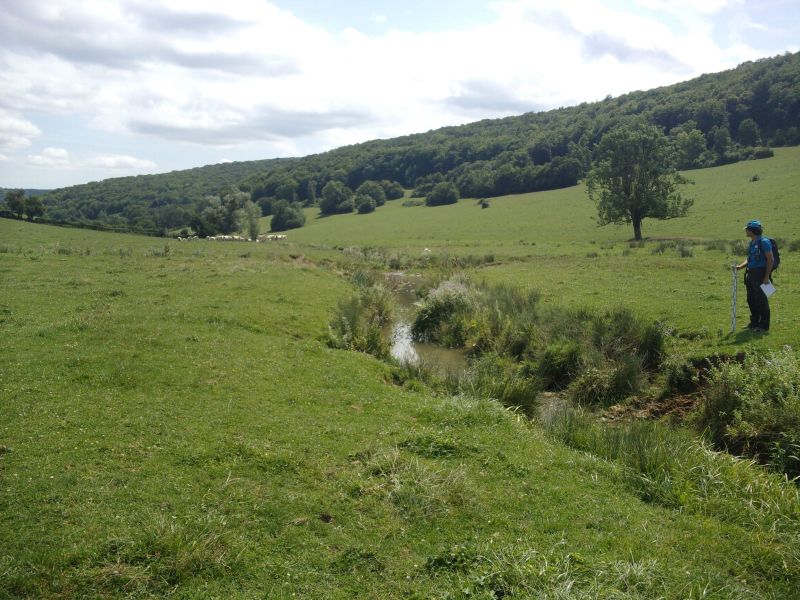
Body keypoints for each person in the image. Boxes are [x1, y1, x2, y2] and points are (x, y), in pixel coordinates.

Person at [735, 219, 774, 331]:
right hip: (751, 273)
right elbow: (749, 258)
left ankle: (764, 325)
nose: (745, 231)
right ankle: (754, 323)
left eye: (747, 229)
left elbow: (770, 259)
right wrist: (740, 267)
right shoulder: (752, 242)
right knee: (751, 299)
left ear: (752, 231)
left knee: (761, 299)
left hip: (760, 273)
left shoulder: (764, 242)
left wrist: (766, 277)